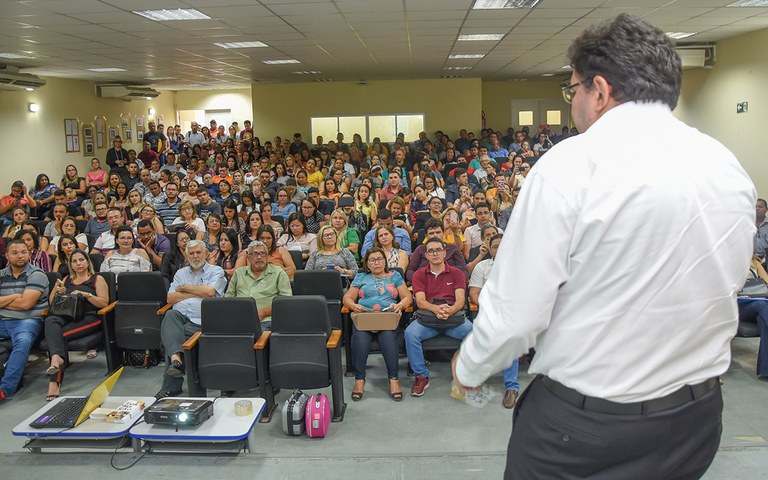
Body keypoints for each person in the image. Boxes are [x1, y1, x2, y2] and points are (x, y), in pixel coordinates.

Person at [452, 14, 757, 479]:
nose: (573, 100)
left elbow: (518, 315)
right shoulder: (725, 163)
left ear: (599, 90)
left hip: (587, 428)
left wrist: (469, 367)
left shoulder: (571, 165)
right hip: (694, 418)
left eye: (572, 89)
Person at [155, 240, 228, 398]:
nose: (195, 256)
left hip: (204, 322)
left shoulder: (216, 271)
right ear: (186, 256)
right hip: (180, 319)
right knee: (170, 315)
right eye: (192, 253)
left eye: (198, 252)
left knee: (172, 335)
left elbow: (210, 292)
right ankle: (176, 359)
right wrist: (198, 292)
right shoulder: (180, 273)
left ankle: (171, 385)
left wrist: (184, 288)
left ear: (206, 253)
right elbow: (170, 298)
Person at [343, 247, 412, 402]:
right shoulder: (361, 276)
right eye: (372, 260)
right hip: (365, 317)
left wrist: (400, 305)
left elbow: (407, 296)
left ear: (385, 261)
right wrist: (353, 306)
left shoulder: (395, 276)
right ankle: (359, 380)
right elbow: (347, 298)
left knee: (388, 337)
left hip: (387, 317)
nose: (376, 262)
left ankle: (393, 379)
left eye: (379, 259)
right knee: (360, 339)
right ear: (367, 264)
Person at [405, 237, 472, 397]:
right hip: (428, 320)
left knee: (472, 332)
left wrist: (450, 310)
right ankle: (421, 376)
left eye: (438, 250)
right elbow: (420, 301)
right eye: (431, 251)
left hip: (453, 319)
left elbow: (460, 299)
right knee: (410, 334)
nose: (435, 254)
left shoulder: (456, 273)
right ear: (426, 255)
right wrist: (436, 309)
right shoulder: (419, 274)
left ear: (444, 253)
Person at [43, 250, 109, 401]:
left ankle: (54, 381)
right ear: (70, 265)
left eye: (81, 260)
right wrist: (57, 291)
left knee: (58, 337)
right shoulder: (66, 279)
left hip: (90, 317)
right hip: (68, 315)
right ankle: (57, 359)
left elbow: (104, 303)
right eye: (74, 261)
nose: (78, 263)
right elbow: (52, 303)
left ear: (87, 262)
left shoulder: (97, 279)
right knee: (50, 320)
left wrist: (87, 295)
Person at [466, 233, 519, 408]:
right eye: (496, 246)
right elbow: (474, 294)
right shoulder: (482, 267)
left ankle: (511, 387)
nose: (500, 249)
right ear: (490, 250)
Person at [0, 240, 49, 401]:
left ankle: (5, 389)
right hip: (3, 320)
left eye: (23, 252)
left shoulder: (37, 274)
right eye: (14, 253)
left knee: (22, 342)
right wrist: (15, 296)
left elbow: (26, 304)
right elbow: (21, 302)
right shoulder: (1, 275)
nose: (20, 256)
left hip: (28, 320)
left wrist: (4, 302)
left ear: (29, 254)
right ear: (7, 255)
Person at [225, 240, 292, 330]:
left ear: (267, 256)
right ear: (248, 257)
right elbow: (228, 299)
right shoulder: (239, 273)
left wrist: (264, 313)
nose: (259, 257)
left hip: (267, 320)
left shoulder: (278, 273)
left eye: (262, 253)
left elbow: (285, 301)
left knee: (258, 333)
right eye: (255, 254)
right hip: (239, 319)